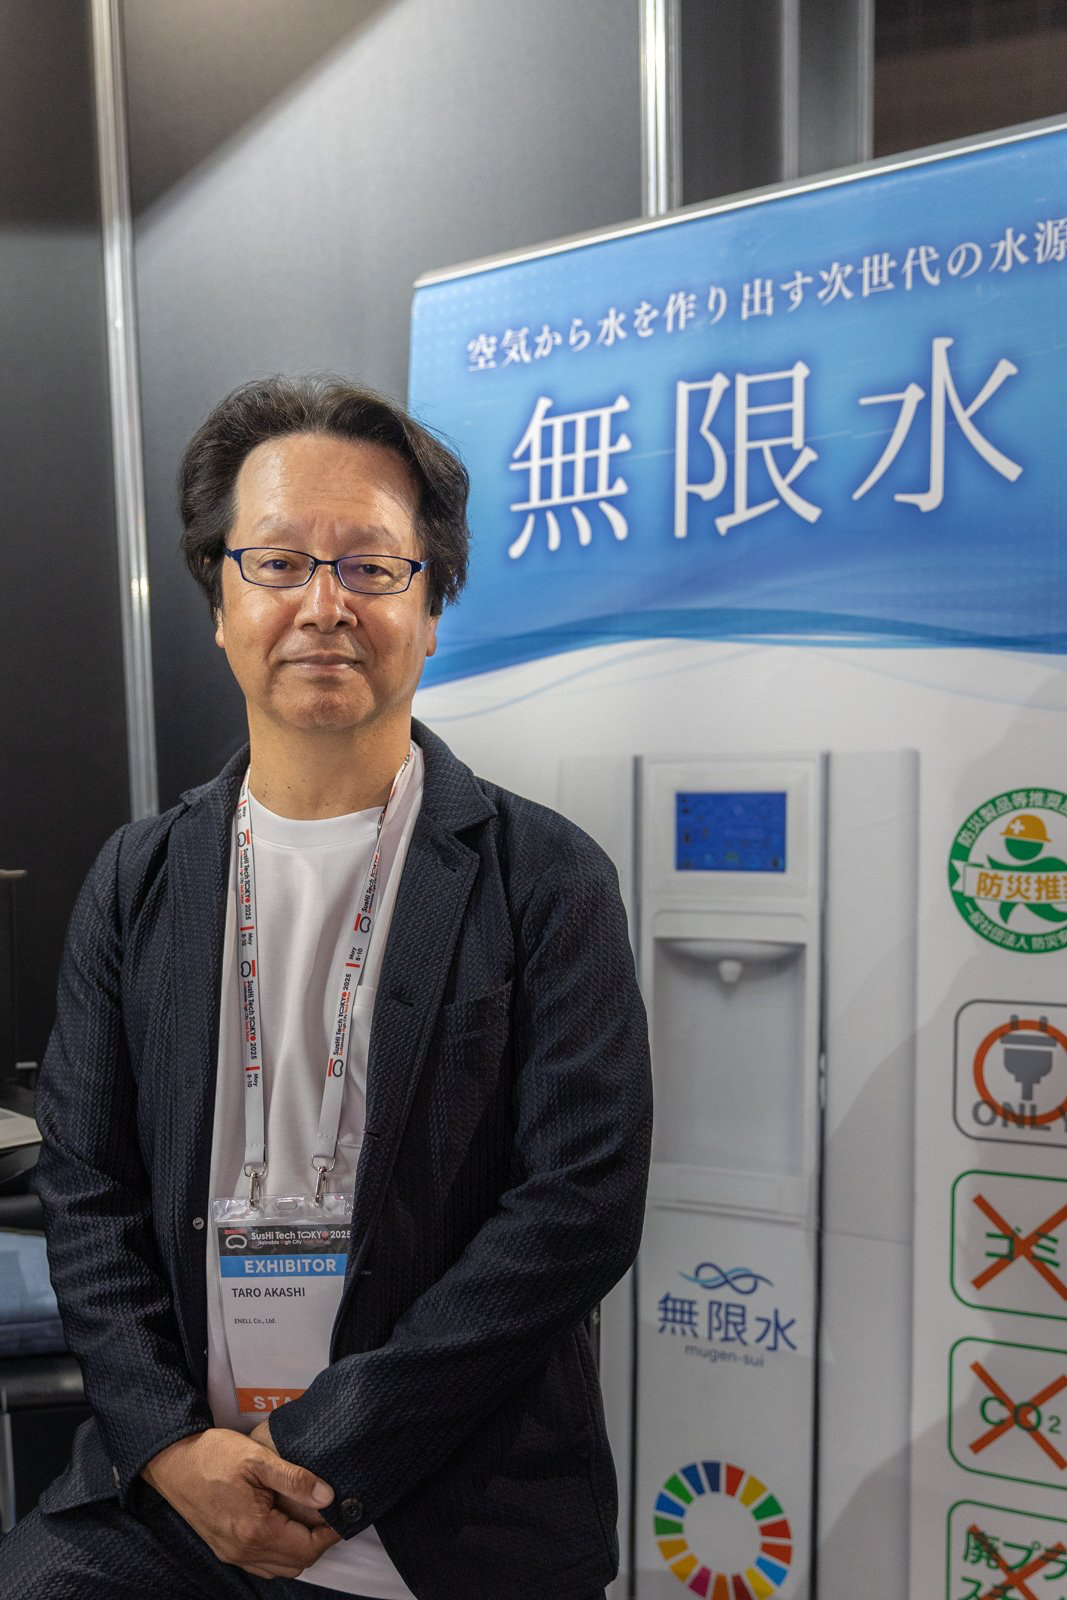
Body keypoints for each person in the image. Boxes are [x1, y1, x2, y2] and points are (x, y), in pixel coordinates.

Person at [1, 377, 652, 1600]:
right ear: (219, 600)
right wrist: (168, 1447)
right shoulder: (139, 878)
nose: (323, 604)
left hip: (452, 1497)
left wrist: (326, 1451)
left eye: (370, 566)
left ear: (431, 604)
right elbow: (85, 1187)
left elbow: (578, 1207)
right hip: (178, 1497)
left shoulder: (542, 876)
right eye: (279, 561)